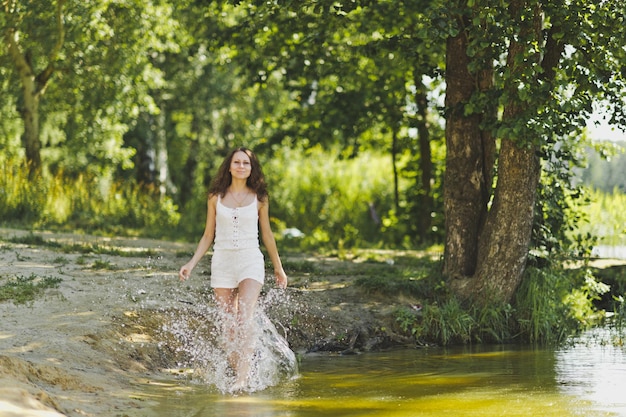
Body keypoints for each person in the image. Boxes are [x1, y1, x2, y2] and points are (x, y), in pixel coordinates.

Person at [178, 146, 288, 392]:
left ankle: (241, 380)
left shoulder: (260, 198)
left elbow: (267, 235)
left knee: (244, 317)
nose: (241, 166)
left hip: (250, 259)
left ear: (252, 169)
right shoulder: (215, 196)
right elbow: (208, 235)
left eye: (246, 163)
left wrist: (278, 268)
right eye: (237, 162)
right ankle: (244, 373)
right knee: (228, 326)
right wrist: (191, 263)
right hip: (223, 262)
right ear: (229, 166)